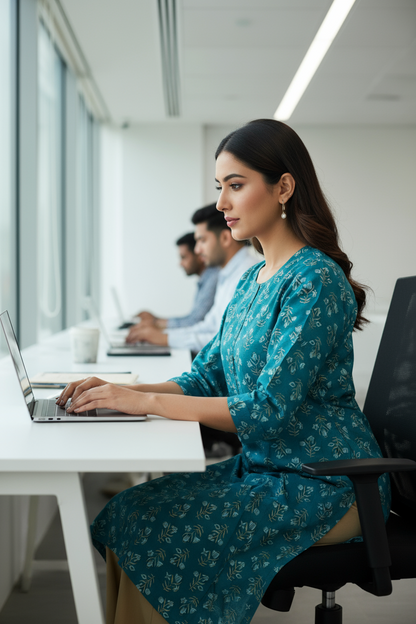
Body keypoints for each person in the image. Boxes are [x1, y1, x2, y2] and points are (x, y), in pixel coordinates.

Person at [58, 119, 390, 624]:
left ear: (283, 187)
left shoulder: (315, 280)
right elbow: (205, 378)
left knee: (155, 530)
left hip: (327, 484)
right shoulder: (254, 279)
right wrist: (117, 391)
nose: (221, 204)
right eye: (220, 188)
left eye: (235, 186)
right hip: (266, 472)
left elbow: (267, 412)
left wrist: (144, 402)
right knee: (128, 513)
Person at [126, 203, 257, 352]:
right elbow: (208, 326)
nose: (197, 249)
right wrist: (163, 335)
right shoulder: (227, 274)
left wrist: (165, 338)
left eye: (202, 240)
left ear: (225, 238)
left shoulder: (248, 275)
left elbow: (226, 341)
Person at [137, 231, 219, 331]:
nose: (180, 264)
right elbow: (192, 318)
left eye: (183, 257)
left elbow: (195, 321)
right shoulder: (204, 280)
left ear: (198, 255)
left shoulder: (213, 278)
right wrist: (156, 320)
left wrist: (155, 323)